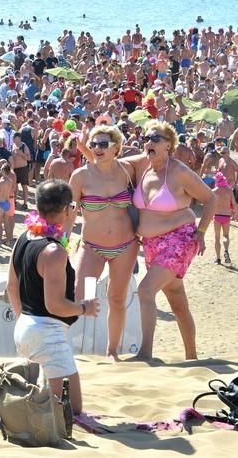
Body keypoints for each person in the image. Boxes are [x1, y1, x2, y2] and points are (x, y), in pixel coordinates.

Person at [7, 180, 100, 414]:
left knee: (45, 400)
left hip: (25, 327)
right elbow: (55, 305)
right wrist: (83, 308)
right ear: (67, 209)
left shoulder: (24, 238)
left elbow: (11, 286)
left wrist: (24, 320)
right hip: (47, 334)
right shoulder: (53, 251)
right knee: (71, 411)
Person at [126, 121, 215, 361]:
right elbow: (113, 159)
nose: (149, 142)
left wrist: (202, 231)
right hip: (152, 245)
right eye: (146, 137)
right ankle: (192, 357)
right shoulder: (144, 166)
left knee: (145, 291)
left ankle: (145, 354)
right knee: (177, 301)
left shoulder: (179, 172)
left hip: (179, 240)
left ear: (169, 145)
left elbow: (211, 199)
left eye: (156, 138)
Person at [68, 126, 139, 361]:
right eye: (93, 144)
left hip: (125, 246)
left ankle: (112, 352)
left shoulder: (128, 170)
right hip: (93, 247)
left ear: (116, 148)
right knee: (83, 295)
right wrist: (61, 241)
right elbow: (69, 212)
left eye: (103, 144)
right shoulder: (81, 175)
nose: (97, 148)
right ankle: (60, 346)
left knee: (117, 298)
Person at [211, 171, 238, 265]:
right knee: (226, 236)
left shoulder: (214, 191)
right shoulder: (229, 190)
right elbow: (234, 204)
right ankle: (226, 250)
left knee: (217, 237)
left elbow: (209, 205)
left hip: (217, 215)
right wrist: (236, 214)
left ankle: (218, 259)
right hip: (226, 216)